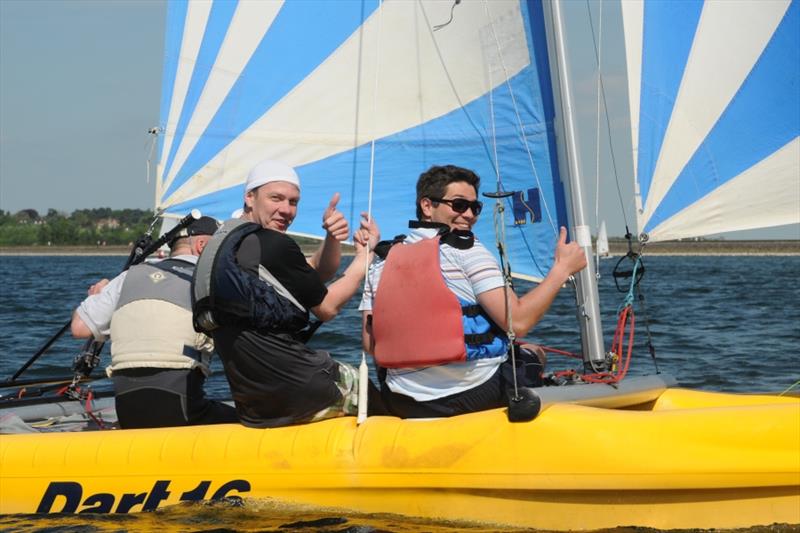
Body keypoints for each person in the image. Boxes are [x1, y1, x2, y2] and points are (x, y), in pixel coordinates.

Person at [359, 164, 587, 418]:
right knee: (534, 353)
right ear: (427, 206)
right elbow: (519, 322)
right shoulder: (468, 251)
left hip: (402, 400)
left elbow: (370, 344)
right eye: (458, 205)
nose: (469, 214)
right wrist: (562, 270)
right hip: (473, 396)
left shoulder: (382, 260)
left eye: (475, 207)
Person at [192, 159, 380, 428]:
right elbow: (326, 308)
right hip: (304, 391)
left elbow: (313, 273)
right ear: (250, 196)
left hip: (254, 406)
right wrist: (364, 258)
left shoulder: (227, 245)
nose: (286, 210)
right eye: (276, 199)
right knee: (376, 394)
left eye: (293, 202)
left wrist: (332, 238)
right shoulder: (272, 244)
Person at [71, 216, 238, 429]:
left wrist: (97, 295)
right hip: (185, 413)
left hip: (129, 414)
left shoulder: (127, 277)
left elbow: (79, 328)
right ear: (202, 246)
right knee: (248, 422)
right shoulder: (211, 280)